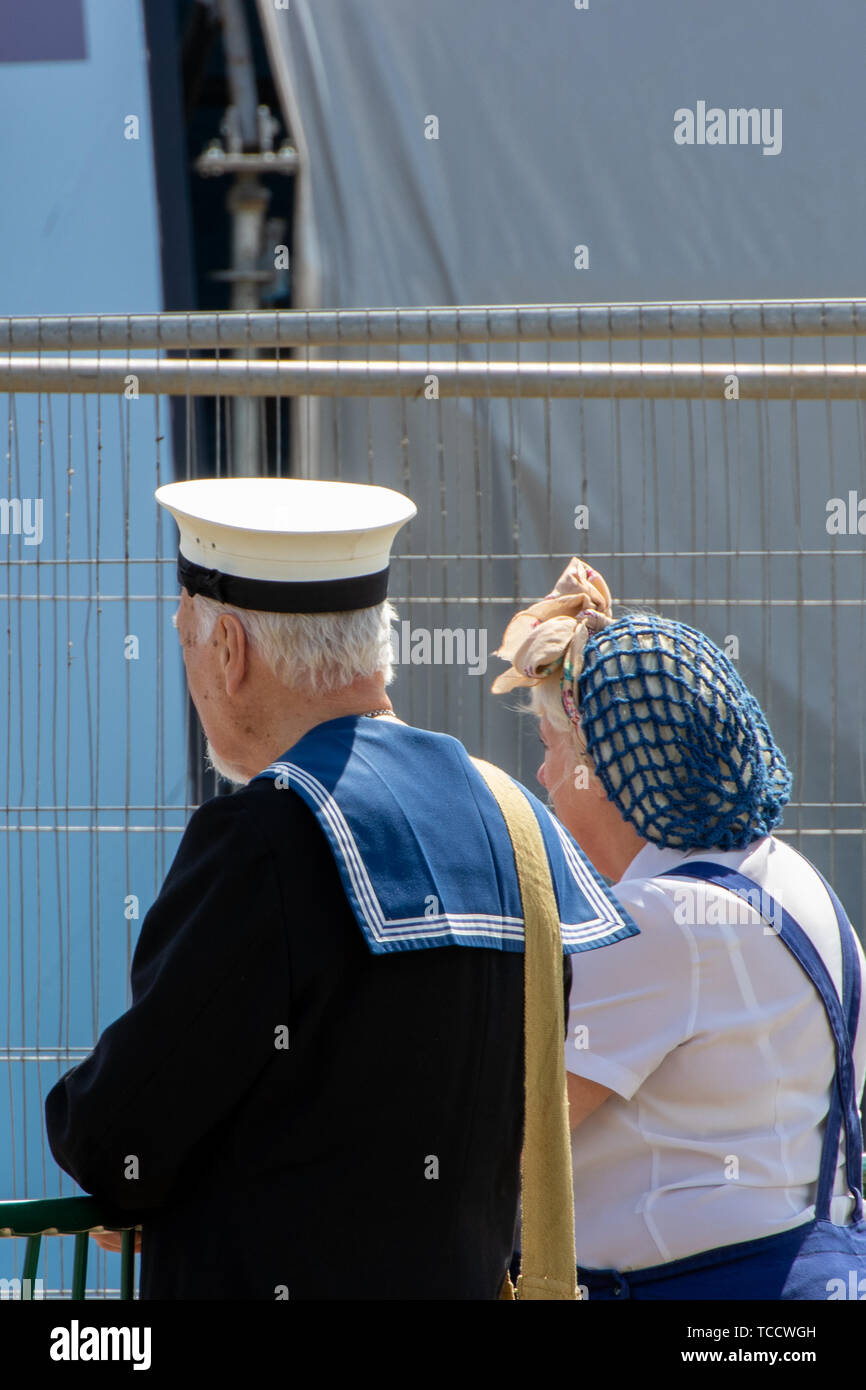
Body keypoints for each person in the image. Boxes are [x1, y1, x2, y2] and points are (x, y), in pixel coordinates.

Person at [44, 479, 637, 1301]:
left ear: (229, 650)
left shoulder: (265, 836)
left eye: (184, 635)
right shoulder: (514, 819)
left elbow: (120, 1135)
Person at [492, 556, 866, 1300]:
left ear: (603, 771)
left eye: (550, 748)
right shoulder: (793, 877)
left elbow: (519, 1140)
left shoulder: (659, 922)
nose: (541, 776)